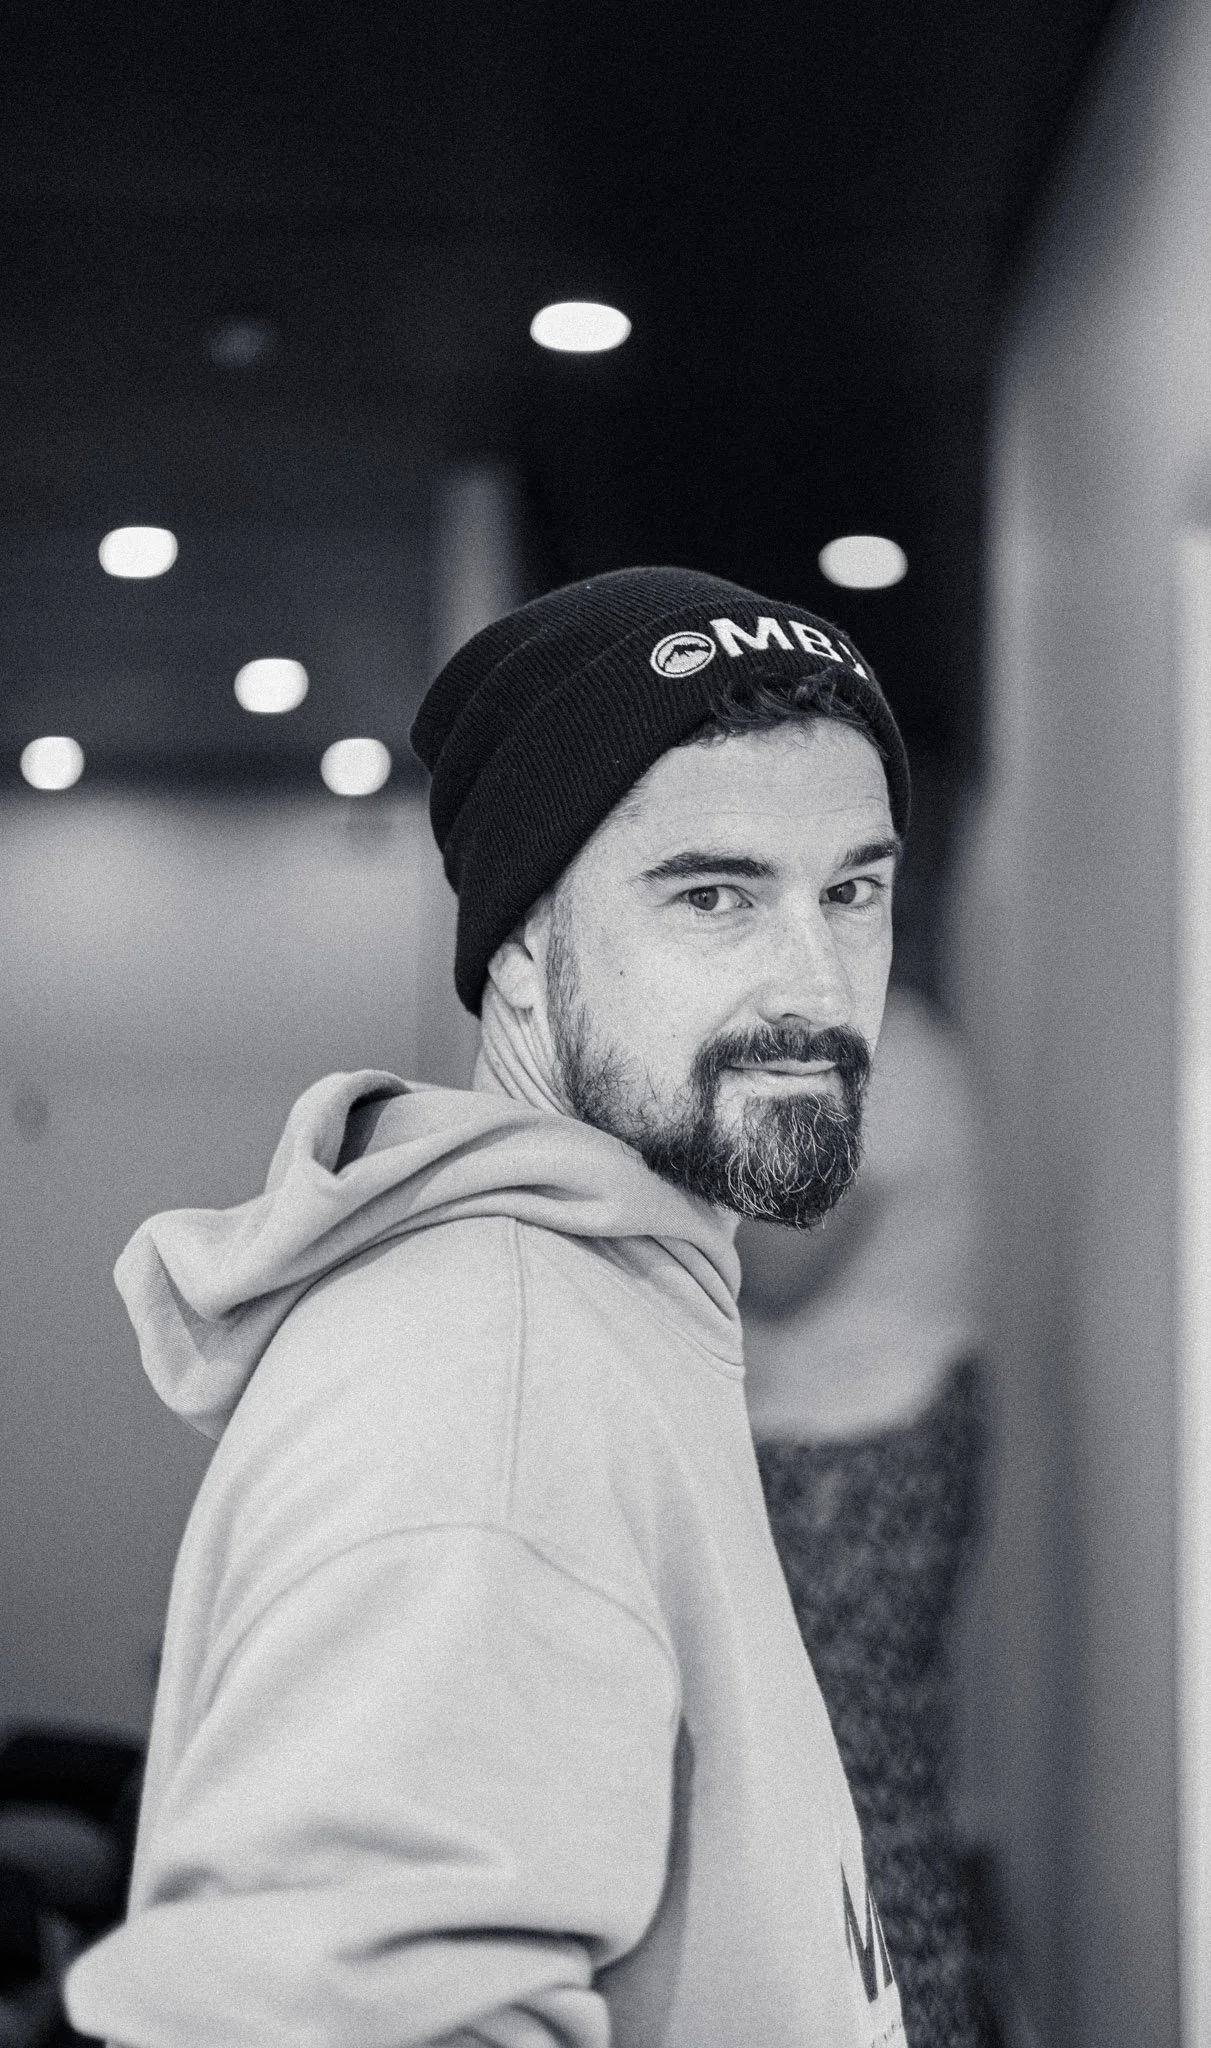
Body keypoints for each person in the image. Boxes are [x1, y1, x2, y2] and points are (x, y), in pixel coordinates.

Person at [64, 566, 913, 2048]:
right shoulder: (494, 1385)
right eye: (713, 895)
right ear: (519, 950)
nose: (818, 983)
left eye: (851, 890)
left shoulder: (609, 1313)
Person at [738, 984, 994, 2047]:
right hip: (849, 1443)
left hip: (863, 1453)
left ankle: (923, 2025)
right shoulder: (867, 1051)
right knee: (850, 1788)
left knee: (869, 1794)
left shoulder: (889, 1059)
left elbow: (781, 1269)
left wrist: (651, 1150)